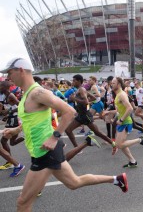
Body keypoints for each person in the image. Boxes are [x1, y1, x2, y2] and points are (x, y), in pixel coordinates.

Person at [0, 58, 128, 212]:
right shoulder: (27, 94)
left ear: (20, 70)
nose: (8, 77)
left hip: (44, 153)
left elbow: (69, 111)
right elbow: (33, 121)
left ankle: (116, 179)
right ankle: (116, 179)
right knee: (74, 182)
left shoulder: (37, 92)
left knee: (23, 203)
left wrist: (55, 137)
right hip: (45, 151)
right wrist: (16, 130)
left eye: (10, 72)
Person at [65, 74, 117, 155]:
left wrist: (74, 99)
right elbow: (93, 97)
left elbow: (85, 102)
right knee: (68, 130)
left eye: (74, 80)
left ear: (79, 81)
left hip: (85, 116)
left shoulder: (82, 90)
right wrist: (76, 101)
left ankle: (113, 144)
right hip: (80, 115)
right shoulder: (80, 90)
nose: (73, 82)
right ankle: (77, 149)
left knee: (97, 132)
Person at [111, 77, 143, 168]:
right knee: (121, 144)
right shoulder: (118, 94)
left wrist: (121, 119)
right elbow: (120, 109)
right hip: (122, 121)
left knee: (119, 145)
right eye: (111, 83)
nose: (111, 84)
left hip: (125, 122)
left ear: (119, 84)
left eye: (113, 83)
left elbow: (130, 108)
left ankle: (140, 140)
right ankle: (132, 161)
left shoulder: (121, 95)